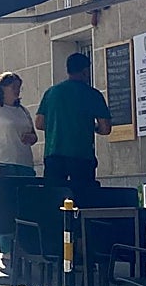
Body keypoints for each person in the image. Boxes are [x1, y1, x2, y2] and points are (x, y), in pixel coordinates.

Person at [35, 52, 112, 192]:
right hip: (82, 156)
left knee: (53, 198)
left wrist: (59, 126)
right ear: (85, 71)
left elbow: (39, 123)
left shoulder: (51, 93)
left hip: (54, 154)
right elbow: (105, 128)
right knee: (84, 199)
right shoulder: (92, 94)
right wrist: (92, 127)